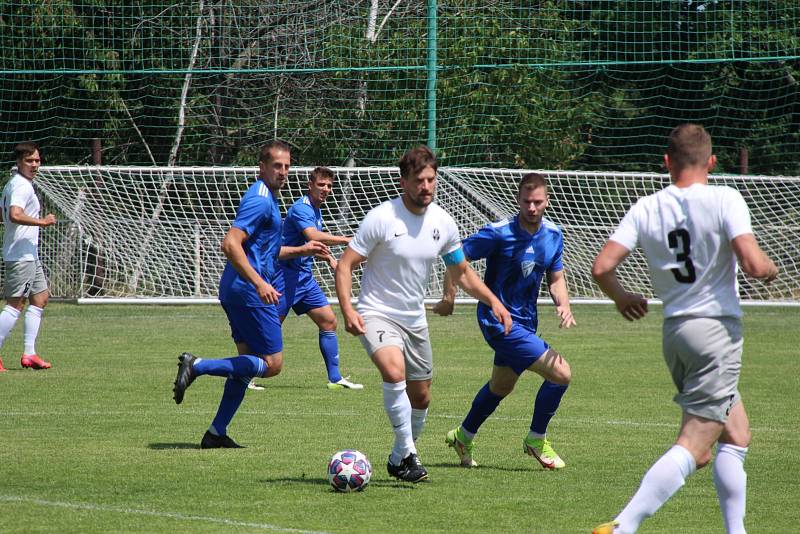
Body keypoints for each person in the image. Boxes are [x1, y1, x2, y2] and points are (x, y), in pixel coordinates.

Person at [591, 124, 779, 534]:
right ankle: (624, 525)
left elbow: (602, 267)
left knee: (737, 433)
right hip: (716, 333)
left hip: (676, 333)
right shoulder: (725, 197)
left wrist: (623, 298)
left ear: (667, 162)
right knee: (695, 446)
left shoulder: (645, 207)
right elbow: (750, 261)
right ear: (712, 162)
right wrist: (770, 269)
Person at [335, 145, 512, 483]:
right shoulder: (381, 218)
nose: (427, 186)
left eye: (431, 179)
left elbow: (461, 271)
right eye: (419, 180)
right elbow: (345, 265)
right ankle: (411, 454)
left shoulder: (443, 222)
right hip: (376, 313)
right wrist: (347, 309)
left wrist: (494, 301)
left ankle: (399, 457)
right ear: (404, 182)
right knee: (392, 369)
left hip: (414, 320)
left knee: (422, 396)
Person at [172, 140, 327, 449]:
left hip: (237, 290)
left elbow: (265, 251)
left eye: (287, 166)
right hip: (249, 293)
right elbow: (230, 244)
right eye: (276, 166)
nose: (283, 172)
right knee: (272, 364)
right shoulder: (259, 199)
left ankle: (216, 432)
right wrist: (259, 283)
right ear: (262, 167)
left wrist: (303, 249)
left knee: (246, 366)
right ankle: (197, 365)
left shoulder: (267, 197)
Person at [434, 172, 575, 470]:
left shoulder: (554, 235)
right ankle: (537, 439)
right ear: (518, 200)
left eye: (538, 202)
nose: (532, 208)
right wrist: (449, 297)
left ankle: (463, 435)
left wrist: (563, 304)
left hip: (526, 322)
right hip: (497, 321)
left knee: (501, 386)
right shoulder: (498, 233)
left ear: (547, 201)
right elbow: (455, 259)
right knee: (561, 373)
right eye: (527, 202)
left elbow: (557, 277)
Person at [250, 166, 362, 391]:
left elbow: (311, 246)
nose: (326, 189)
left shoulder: (315, 210)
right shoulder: (302, 208)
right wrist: (346, 240)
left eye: (329, 185)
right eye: (321, 184)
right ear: (310, 185)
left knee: (328, 321)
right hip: (284, 276)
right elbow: (312, 237)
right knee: (271, 326)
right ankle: (246, 375)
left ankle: (335, 378)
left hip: (304, 278)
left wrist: (330, 259)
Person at [0, 142, 56, 372]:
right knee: (15, 305)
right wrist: (42, 221)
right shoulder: (21, 186)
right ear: (19, 162)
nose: (34, 165)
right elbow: (14, 214)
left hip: (29, 254)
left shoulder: (15, 184)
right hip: (20, 255)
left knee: (41, 297)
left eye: (37, 160)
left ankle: (29, 354)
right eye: (29, 160)